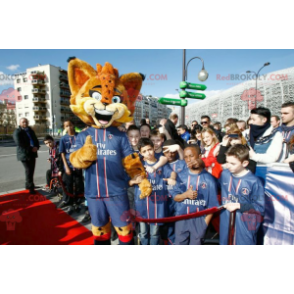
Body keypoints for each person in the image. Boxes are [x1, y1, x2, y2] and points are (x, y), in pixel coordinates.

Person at [131, 138, 177, 245]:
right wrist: (134, 181)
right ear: (140, 153)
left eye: (150, 149)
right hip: (142, 205)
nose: (148, 153)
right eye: (144, 151)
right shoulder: (138, 165)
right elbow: (129, 181)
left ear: (154, 148)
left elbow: (172, 173)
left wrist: (171, 179)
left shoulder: (161, 163)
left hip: (157, 205)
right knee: (143, 232)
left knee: (155, 233)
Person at [219, 145, 265, 245]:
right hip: (226, 223)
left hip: (245, 227)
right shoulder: (224, 174)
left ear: (245, 163)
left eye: (232, 163)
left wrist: (239, 206)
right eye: (227, 162)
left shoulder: (254, 182)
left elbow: (260, 208)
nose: (228, 165)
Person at [173, 145, 219, 245]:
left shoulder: (209, 179)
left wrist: (204, 224)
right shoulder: (180, 176)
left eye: (191, 156)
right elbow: (175, 197)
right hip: (181, 218)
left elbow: (212, 206)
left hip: (199, 220)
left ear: (199, 156)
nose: (188, 159)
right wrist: (185, 195)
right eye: (186, 157)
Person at [58, 120, 84, 215]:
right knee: (67, 184)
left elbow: (83, 151)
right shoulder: (63, 139)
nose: (69, 127)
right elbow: (62, 153)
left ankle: (78, 202)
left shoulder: (79, 136)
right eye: (66, 126)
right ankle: (68, 201)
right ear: (64, 128)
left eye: (70, 125)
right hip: (68, 165)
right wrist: (66, 166)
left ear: (73, 125)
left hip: (78, 165)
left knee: (78, 184)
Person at [13, 118, 40, 194]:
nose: (25, 123)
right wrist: (31, 148)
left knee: (31, 170)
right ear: (20, 123)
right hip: (24, 154)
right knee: (28, 170)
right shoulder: (17, 132)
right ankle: (31, 187)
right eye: (23, 122)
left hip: (32, 153)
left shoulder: (30, 130)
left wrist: (36, 147)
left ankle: (28, 185)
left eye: (26, 122)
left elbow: (35, 140)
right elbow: (20, 143)